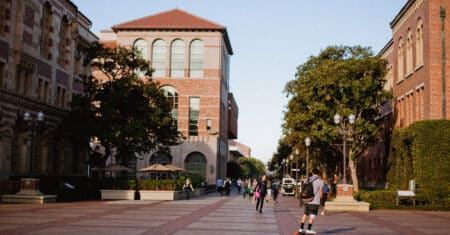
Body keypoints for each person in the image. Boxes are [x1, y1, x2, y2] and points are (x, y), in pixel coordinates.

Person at [299, 169, 324, 234]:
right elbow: (321, 194)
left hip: (307, 200)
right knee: (313, 215)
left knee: (305, 213)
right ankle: (309, 229)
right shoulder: (320, 181)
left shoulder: (307, 179)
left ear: (312, 173)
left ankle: (301, 228)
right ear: (318, 173)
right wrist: (320, 199)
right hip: (315, 201)